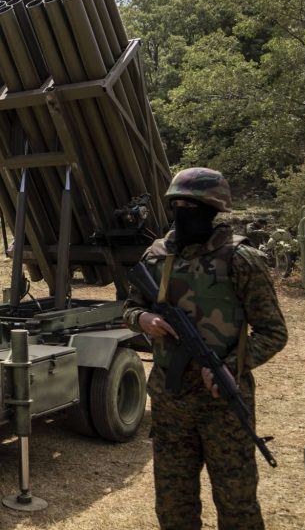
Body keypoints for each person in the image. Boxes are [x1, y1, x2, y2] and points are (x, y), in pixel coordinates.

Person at [123, 167, 288, 530]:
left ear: (213, 210)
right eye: (177, 203)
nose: (183, 210)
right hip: (170, 402)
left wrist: (229, 367)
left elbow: (273, 332)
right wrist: (143, 320)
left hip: (222, 407)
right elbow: (130, 307)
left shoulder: (241, 259)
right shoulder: (156, 256)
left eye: (192, 205)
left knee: (237, 505)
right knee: (173, 505)